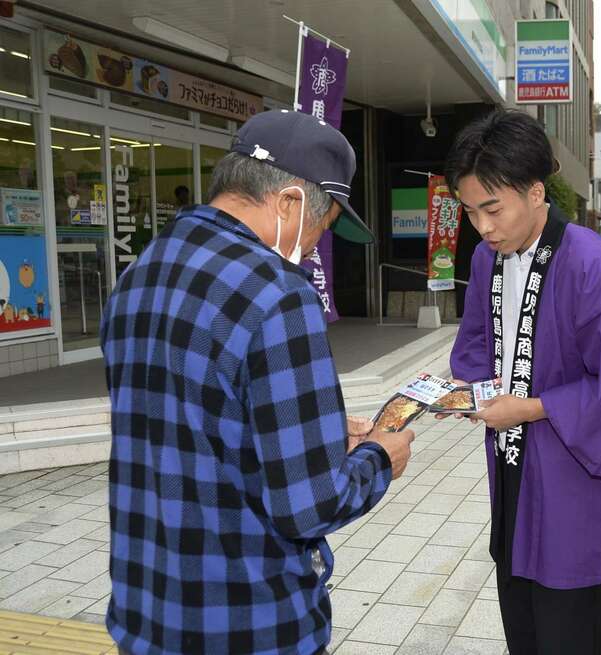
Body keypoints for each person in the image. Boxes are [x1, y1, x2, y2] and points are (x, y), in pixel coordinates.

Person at [101, 110, 415, 655]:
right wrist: (380, 458)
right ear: (290, 202)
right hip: (248, 622)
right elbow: (310, 504)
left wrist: (317, 436)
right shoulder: (279, 293)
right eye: (321, 227)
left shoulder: (140, 272)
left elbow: (188, 417)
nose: (315, 248)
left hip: (145, 610)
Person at [444, 109, 601, 655]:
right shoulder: (491, 260)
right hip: (513, 472)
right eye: (470, 212)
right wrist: (469, 393)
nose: (483, 227)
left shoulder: (596, 268)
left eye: (493, 208)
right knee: (522, 624)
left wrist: (532, 409)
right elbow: (473, 348)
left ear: (536, 191)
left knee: (567, 629)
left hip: (571, 480)